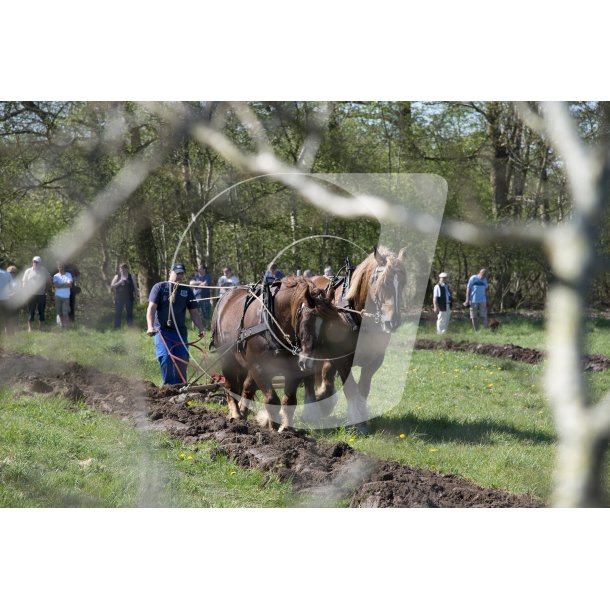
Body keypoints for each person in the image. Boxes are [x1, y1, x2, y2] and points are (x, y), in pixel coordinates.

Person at [146, 263, 205, 385]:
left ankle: (181, 385)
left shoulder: (186, 290)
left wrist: (200, 328)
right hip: (162, 331)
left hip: (180, 332)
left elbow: (194, 312)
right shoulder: (160, 287)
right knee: (166, 358)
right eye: (177, 273)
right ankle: (168, 386)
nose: (180, 276)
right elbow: (151, 308)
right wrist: (150, 327)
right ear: (170, 272)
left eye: (182, 273)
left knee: (183, 359)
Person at [22, 255, 52, 331]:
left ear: (40, 263)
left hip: (41, 295)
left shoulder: (44, 271)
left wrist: (46, 290)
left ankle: (41, 327)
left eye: (37, 262)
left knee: (41, 311)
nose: (35, 263)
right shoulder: (28, 271)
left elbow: (48, 282)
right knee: (30, 311)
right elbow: (24, 282)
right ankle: (30, 328)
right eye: (34, 261)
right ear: (32, 262)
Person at [110, 263, 139, 329]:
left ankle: (130, 328)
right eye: (120, 268)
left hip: (129, 298)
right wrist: (119, 282)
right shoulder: (117, 276)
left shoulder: (131, 276)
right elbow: (112, 286)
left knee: (129, 313)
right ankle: (116, 328)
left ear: (127, 269)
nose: (121, 270)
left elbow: (135, 287)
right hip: (119, 298)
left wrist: (136, 297)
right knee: (118, 313)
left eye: (123, 268)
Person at [189, 263, 213, 330]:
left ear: (204, 269)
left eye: (200, 269)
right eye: (198, 269)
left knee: (206, 313)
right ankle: (193, 328)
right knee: (195, 312)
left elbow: (205, 284)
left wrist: (196, 283)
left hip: (205, 297)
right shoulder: (196, 277)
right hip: (196, 298)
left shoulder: (208, 276)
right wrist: (200, 283)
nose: (199, 270)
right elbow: (191, 283)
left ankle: (207, 327)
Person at [53, 262, 73, 329]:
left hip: (66, 297)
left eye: (62, 267)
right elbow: (56, 285)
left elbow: (70, 285)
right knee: (59, 313)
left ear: (64, 267)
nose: (61, 268)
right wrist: (65, 284)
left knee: (65, 313)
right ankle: (62, 326)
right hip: (58, 296)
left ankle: (67, 327)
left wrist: (60, 285)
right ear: (57, 268)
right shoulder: (55, 276)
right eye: (59, 267)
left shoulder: (68, 274)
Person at [5, 265, 20, 333]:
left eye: (13, 272)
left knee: (15, 315)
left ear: (15, 273)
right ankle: (6, 330)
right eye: (10, 272)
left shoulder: (17, 281)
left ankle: (16, 330)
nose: (11, 273)